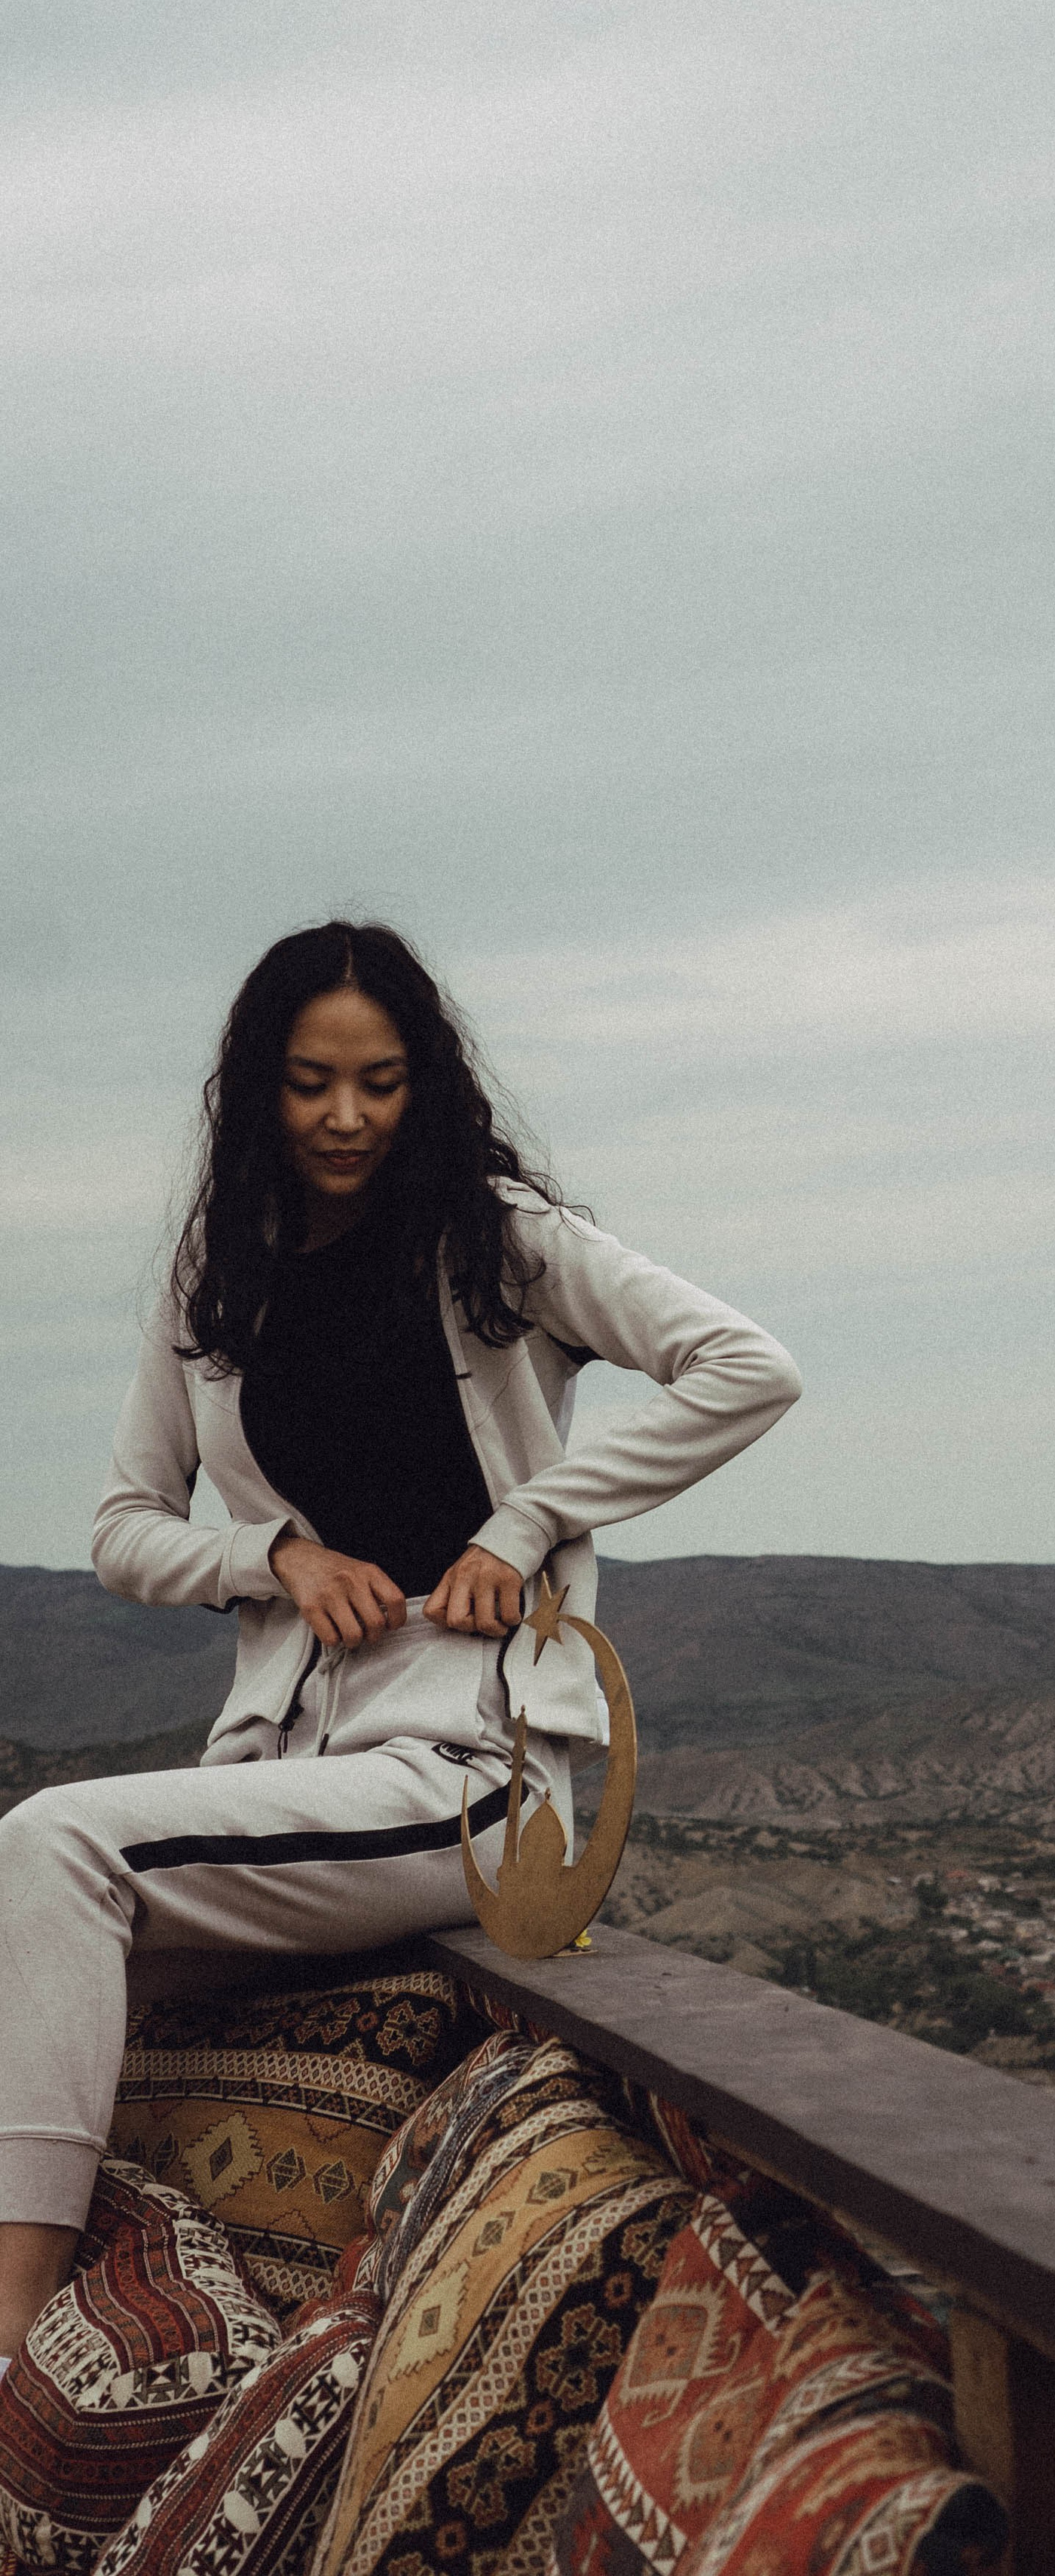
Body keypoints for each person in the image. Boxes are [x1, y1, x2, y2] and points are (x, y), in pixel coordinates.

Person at [0, 920, 800, 2363]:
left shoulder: (500, 1241)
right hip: (288, 1770)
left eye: (380, 1082)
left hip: (471, 1774)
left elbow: (747, 1367)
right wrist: (272, 1558)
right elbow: (124, 1527)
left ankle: (11, 2331)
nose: (347, 1116)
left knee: (53, 1843)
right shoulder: (218, 1271)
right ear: (261, 1087)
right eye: (311, 1082)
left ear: (424, 1083)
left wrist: (526, 1524)